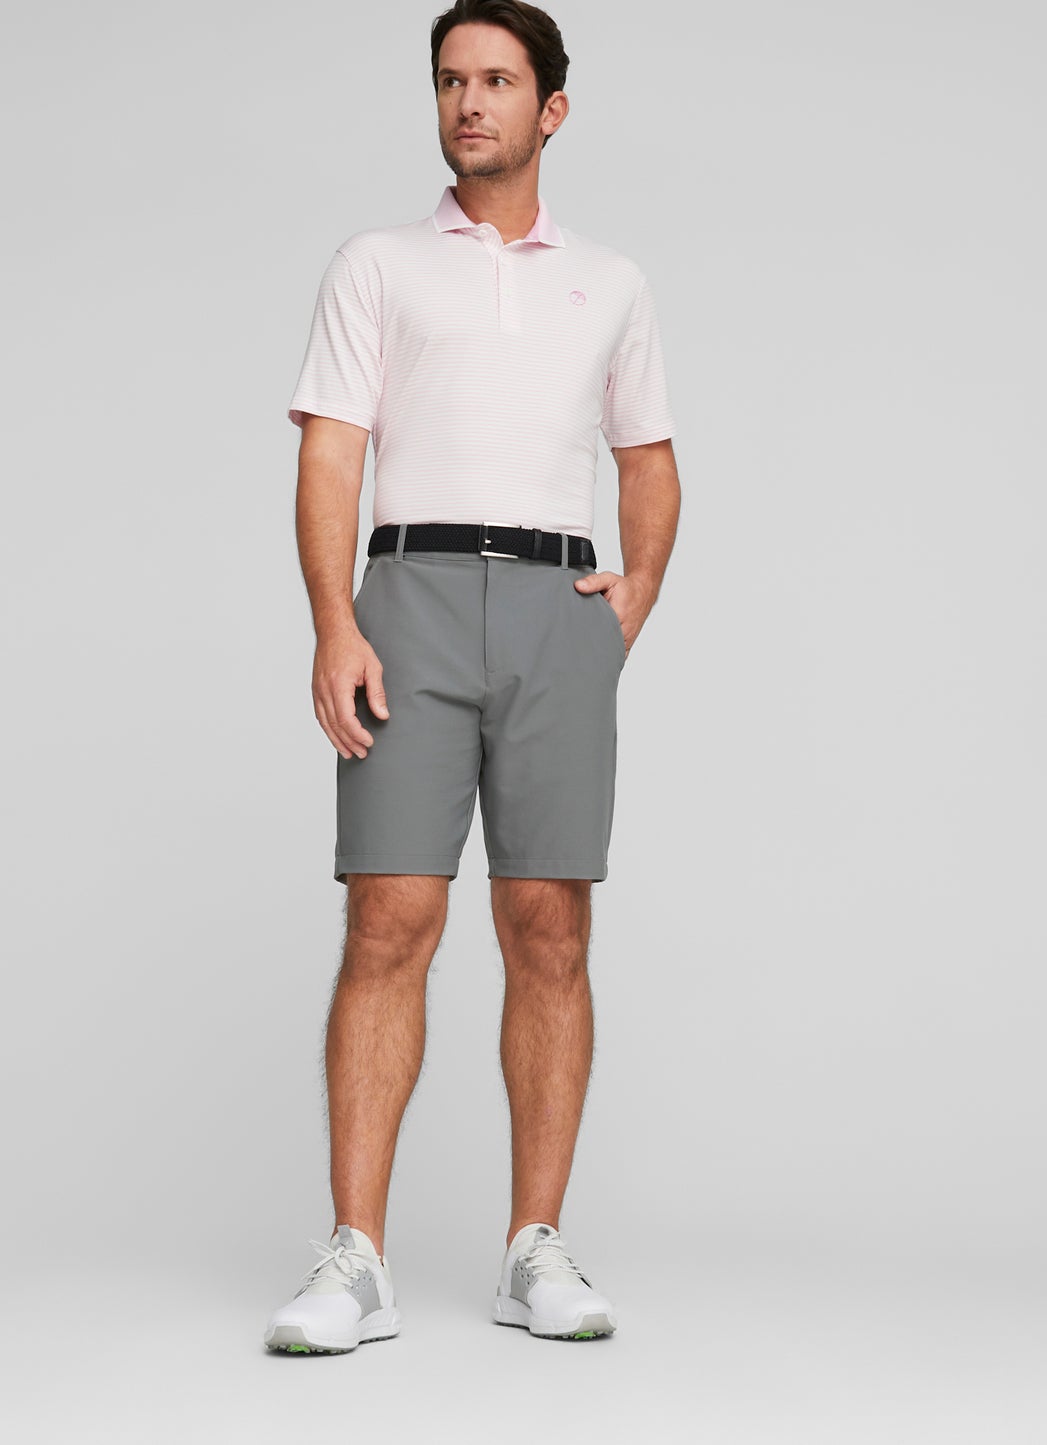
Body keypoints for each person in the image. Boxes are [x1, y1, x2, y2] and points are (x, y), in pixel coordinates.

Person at [264, 0, 679, 1355]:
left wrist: (629, 596)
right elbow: (332, 450)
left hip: (557, 603)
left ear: (550, 108)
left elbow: (647, 457)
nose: (469, 103)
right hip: (411, 599)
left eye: (497, 81)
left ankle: (532, 1247)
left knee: (549, 925)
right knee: (388, 918)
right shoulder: (377, 264)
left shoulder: (610, 281)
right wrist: (335, 621)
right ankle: (356, 1260)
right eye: (451, 80)